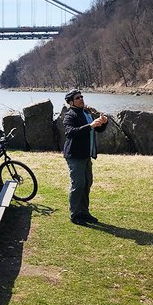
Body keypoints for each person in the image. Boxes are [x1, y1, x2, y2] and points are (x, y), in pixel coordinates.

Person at [62, 89, 108, 225]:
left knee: (87, 183)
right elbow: (70, 133)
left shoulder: (86, 113)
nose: (81, 99)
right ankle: (75, 214)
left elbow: (97, 129)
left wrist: (103, 122)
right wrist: (90, 125)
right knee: (78, 184)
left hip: (86, 155)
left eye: (82, 96)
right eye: (78, 98)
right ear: (71, 102)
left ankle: (84, 212)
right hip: (74, 155)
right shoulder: (69, 115)